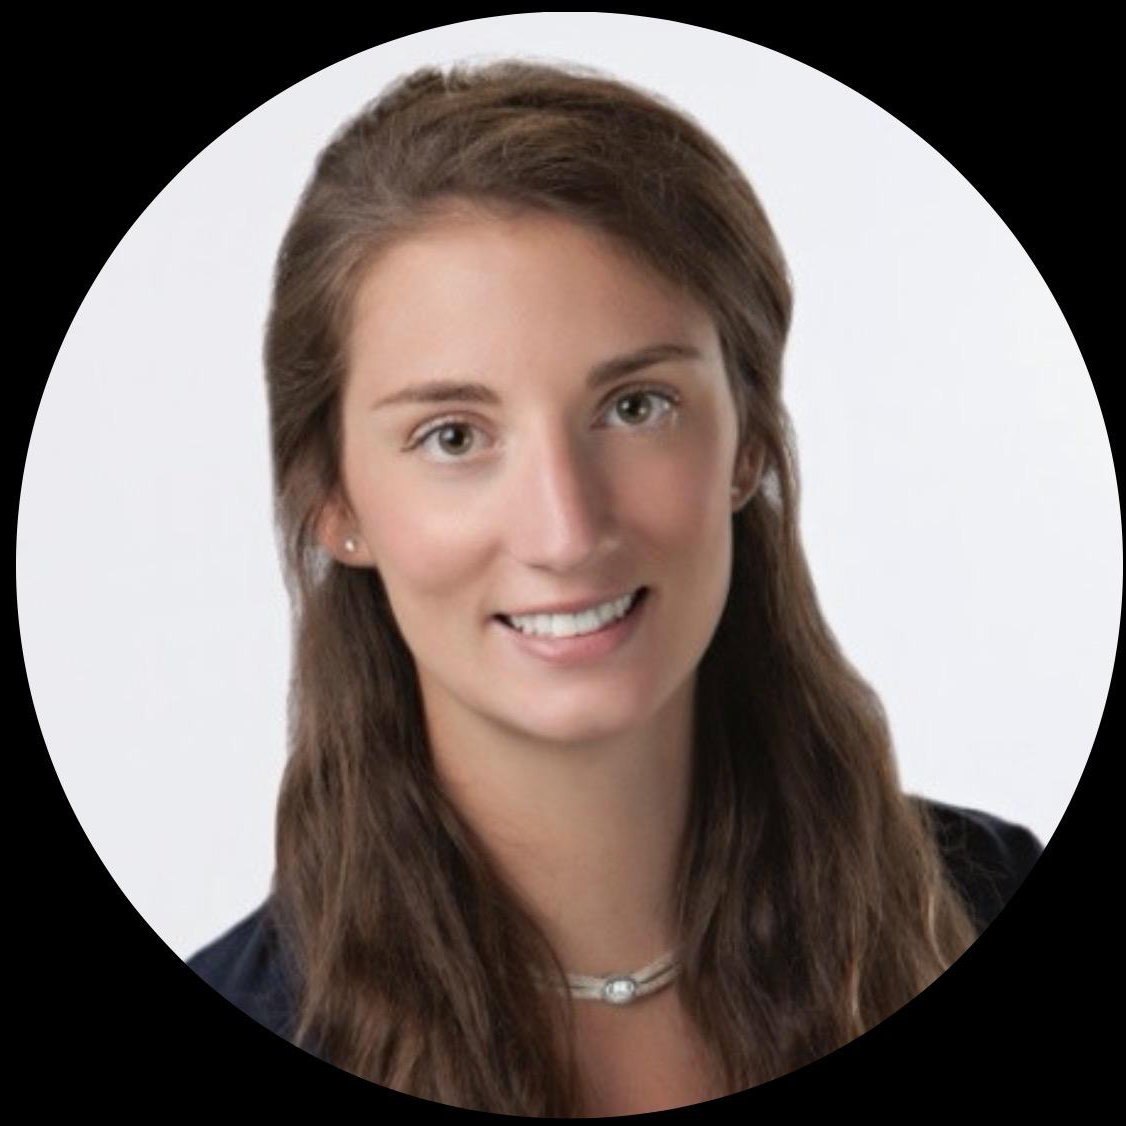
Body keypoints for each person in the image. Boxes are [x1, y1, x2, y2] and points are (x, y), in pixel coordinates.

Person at [186, 59, 1043, 1116]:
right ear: (334, 501)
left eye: (635, 406)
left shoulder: (983, 900)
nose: (564, 527)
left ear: (747, 442)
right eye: (453, 435)